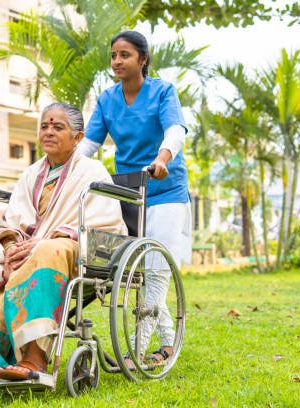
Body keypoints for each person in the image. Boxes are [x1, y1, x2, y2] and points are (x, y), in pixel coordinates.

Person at [0, 103, 126, 388]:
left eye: (58, 127)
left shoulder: (93, 173)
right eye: (44, 126)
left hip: (68, 248)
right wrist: (9, 246)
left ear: (78, 137)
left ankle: (34, 358)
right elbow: (13, 220)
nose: (49, 132)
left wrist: (41, 242)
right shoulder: (31, 173)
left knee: (46, 251)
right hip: (27, 245)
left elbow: (103, 221)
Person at [77, 30, 191, 367]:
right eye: (113, 55)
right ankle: (169, 342)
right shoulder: (107, 99)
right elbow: (88, 145)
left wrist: (162, 159)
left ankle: (137, 351)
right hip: (127, 191)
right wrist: (65, 169)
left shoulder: (162, 91)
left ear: (142, 59)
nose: (116, 62)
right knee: (138, 271)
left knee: (156, 270)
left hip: (165, 188)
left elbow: (175, 130)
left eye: (124, 55)